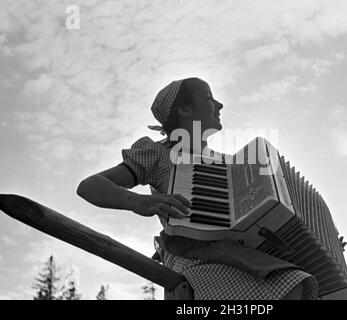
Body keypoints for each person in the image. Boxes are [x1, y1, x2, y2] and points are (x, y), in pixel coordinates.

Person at [76, 77, 318, 300]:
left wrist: (312, 239)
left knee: (312, 286)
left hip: (239, 255)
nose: (220, 105)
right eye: (209, 98)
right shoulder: (158, 153)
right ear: (185, 109)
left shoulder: (230, 164)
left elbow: (260, 222)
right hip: (192, 257)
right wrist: (138, 202)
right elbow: (90, 186)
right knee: (292, 285)